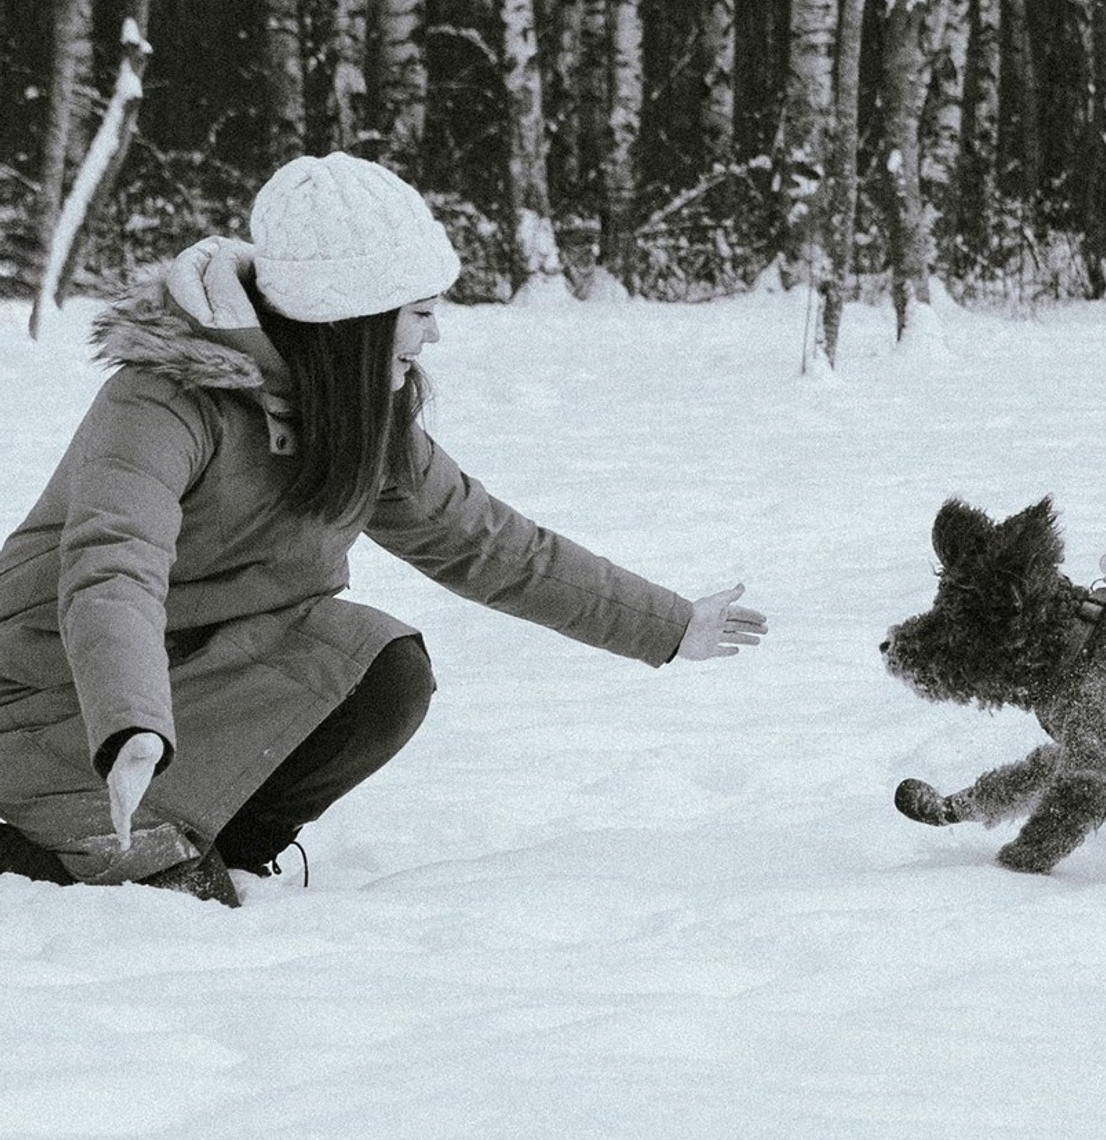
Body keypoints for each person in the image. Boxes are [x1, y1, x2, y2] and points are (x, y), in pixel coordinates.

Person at [0, 152, 767, 906]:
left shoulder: (361, 417)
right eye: (420, 314)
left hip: (196, 672)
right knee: (331, 661)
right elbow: (112, 567)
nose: (432, 338)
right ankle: (49, 838)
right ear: (350, 320)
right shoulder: (163, 398)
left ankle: (221, 846)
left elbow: (487, 543)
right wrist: (130, 721)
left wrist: (666, 624)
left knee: (379, 666)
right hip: (59, 687)